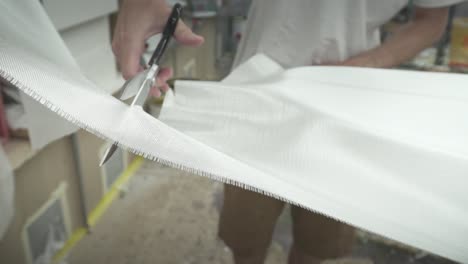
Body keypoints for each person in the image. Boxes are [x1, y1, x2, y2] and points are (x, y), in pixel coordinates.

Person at [112, 1, 464, 263]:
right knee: (242, 241)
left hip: (345, 106)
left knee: (319, 247)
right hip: (257, 98)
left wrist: (359, 66)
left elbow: (432, 18)